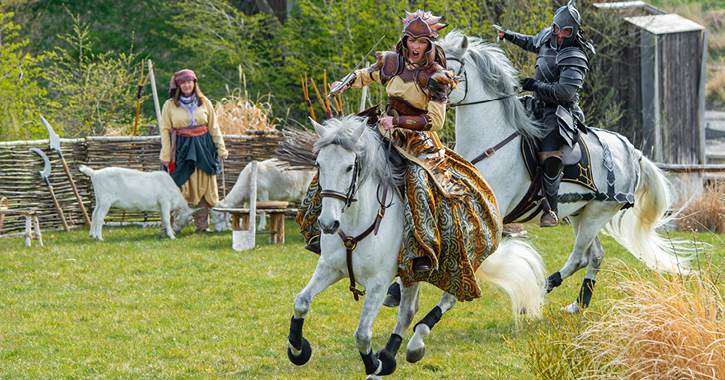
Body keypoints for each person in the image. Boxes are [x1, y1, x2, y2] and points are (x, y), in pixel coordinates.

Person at [296, 10, 502, 303]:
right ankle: (319, 223)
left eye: (421, 41)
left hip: (419, 142)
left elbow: (436, 121)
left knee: (418, 184)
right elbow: (367, 75)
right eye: (410, 39)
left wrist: (400, 122)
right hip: (382, 131)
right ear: (404, 40)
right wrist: (346, 82)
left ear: (430, 44)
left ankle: (419, 253)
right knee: (340, 160)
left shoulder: (437, 77)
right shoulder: (392, 62)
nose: (415, 46)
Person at [496, 0, 594, 227]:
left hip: (560, 112)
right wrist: (508, 35)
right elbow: (531, 42)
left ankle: (551, 208)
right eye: (557, 30)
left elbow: (565, 92)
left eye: (566, 31)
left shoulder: (576, 55)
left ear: (574, 32)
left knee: (550, 154)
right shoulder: (547, 37)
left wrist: (534, 85)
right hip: (536, 105)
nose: (559, 36)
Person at [159, 69, 228, 232]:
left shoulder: (205, 102)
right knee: (176, 186)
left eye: (190, 82)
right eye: (183, 83)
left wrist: (221, 149)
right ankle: (171, 227)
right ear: (178, 86)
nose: (187, 85)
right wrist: (166, 155)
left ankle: (202, 226)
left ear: (194, 84)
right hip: (181, 149)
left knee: (203, 186)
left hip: (203, 148)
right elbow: (165, 130)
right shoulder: (169, 105)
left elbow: (214, 127)